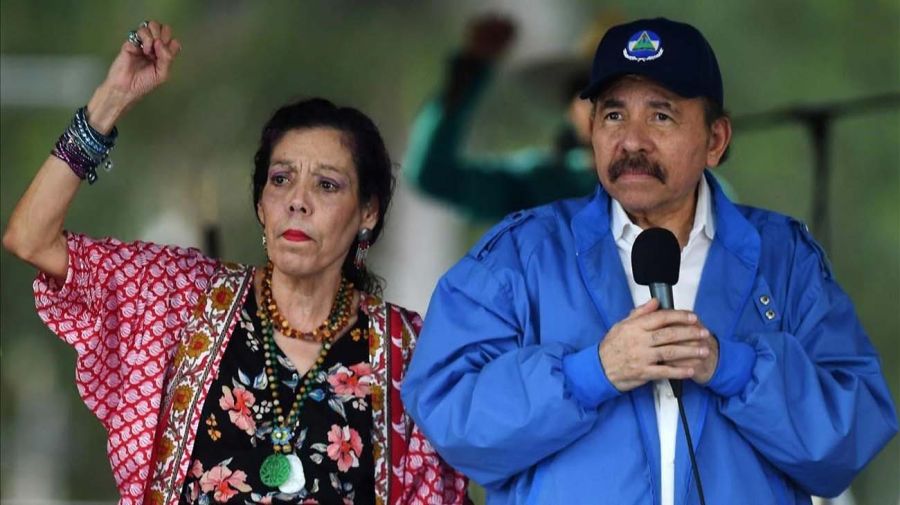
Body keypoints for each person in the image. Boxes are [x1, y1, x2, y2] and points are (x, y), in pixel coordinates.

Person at [402, 17, 897, 504]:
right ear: (591, 128)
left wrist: (735, 368)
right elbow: (447, 415)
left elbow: (852, 435)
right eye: (614, 115)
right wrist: (592, 373)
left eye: (660, 116)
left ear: (716, 141)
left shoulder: (783, 257)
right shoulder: (519, 253)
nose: (632, 140)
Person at [2, 20, 467, 505]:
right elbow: (31, 238)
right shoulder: (180, 296)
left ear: (367, 212)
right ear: (261, 205)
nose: (297, 201)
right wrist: (109, 103)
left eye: (327, 185)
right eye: (281, 179)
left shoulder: (408, 355)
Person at [404, 15, 597, 223]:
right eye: (589, 89)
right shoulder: (542, 184)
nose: (603, 105)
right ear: (570, 108)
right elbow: (435, 176)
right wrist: (467, 75)